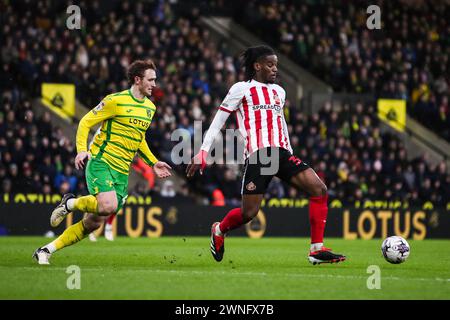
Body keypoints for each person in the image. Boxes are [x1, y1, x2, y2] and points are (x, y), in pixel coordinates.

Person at [186, 45, 346, 265]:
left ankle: (316, 249)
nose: (274, 69)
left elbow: (280, 124)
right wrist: (203, 151)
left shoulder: (279, 92)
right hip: (259, 156)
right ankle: (219, 229)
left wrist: (288, 150)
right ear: (257, 66)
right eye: (270, 65)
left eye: (276, 65)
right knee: (248, 213)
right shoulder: (240, 89)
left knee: (319, 189)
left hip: (281, 153)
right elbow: (218, 121)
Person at [33, 60, 172, 264]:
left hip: (122, 172)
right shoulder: (115, 101)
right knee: (107, 206)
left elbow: (139, 137)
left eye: (155, 80)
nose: (154, 84)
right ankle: (70, 203)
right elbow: (85, 122)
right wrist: (81, 150)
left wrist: (153, 162)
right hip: (102, 161)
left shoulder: (150, 108)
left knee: (92, 223)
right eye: (151, 80)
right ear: (137, 80)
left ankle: (45, 250)